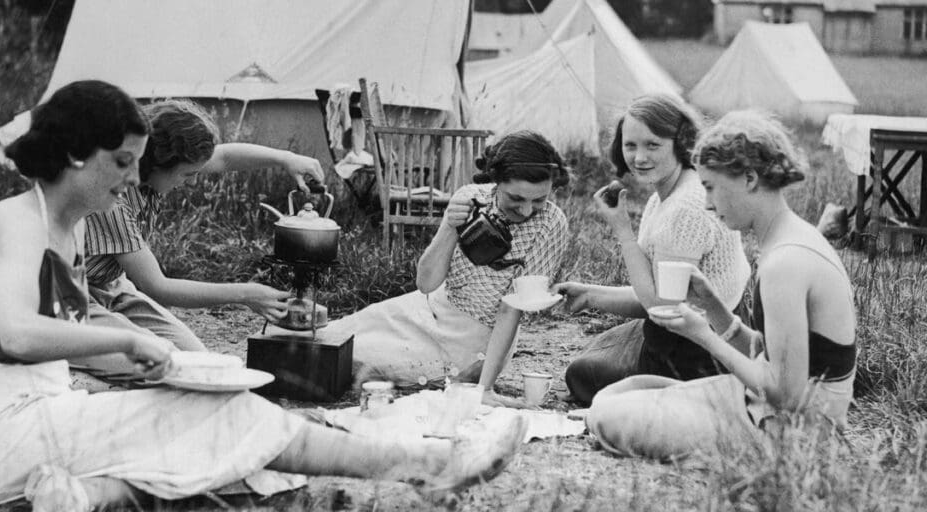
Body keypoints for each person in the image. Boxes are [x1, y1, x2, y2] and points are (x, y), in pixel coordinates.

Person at [0, 80, 527, 511]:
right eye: (121, 163)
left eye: (136, 164)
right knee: (212, 416)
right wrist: (127, 342)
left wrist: (168, 365)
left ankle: (88, 497)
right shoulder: (19, 221)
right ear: (74, 155)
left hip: (26, 432)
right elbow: (15, 332)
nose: (129, 179)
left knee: (202, 417)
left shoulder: (67, 224)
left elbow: (214, 161)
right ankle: (425, 465)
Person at [585, 110, 857, 459]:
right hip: (766, 405)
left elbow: (785, 394)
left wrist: (704, 336)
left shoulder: (784, 264)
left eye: (711, 188)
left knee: (608, 415)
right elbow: (773, 355)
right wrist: (714, 307)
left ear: (749, 179)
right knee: (625, 391)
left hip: (791, 431)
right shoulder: (790, 237)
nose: (709, 204)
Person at [277, 130, 571, 407]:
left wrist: (485, 389)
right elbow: (426, 283)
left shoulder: (550, 223)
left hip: (471, 340)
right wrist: (451, 228)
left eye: (539, 199)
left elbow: (511, 309)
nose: (527, 211)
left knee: (351, 358)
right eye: (516, 199)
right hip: (424, 307)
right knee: (325, 336)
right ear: (496, 181)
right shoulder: (472, 197)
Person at [76, 99, 326, 376]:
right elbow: (159, 286)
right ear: (156, 163)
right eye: (188, 174)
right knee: (163, 364)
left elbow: (224, 158)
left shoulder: (150, 169)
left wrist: (284, 158)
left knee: (196, 357)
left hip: (112, 286)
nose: (193, 182)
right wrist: (245, 294)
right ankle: (57, 344)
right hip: (73, 294)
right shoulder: (112, 196)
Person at [554, 94, 751, 405]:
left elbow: (660, 307)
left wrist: (622, 230)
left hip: (698, 351)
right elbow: (658, 294)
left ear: (680, 143)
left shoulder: (684, 209)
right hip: (686, 327)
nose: (639, 157)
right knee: (599, 347)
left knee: (580, 374)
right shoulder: (668, 193)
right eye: (630, 145)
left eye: (652, 145)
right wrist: (589, 294)